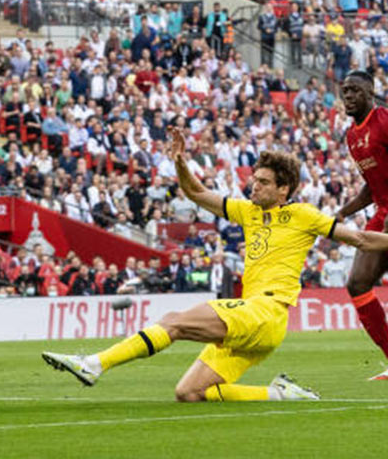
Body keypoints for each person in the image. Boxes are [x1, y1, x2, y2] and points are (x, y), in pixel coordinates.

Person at [42, 131, 388, 402]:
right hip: (256, 321)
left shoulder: (302, 215)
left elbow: (360, 239)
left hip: (266, 311)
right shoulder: (246, 210)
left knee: (173, 323)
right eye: (255, 179)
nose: (255, 185)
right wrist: (180, 161)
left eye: (264, 182)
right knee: (189, 393)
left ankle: (94, 364)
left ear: (284, 189)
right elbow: (195, 192)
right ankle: (278, 392)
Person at [336, 70, 388, 380]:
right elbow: (371, 186)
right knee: (357, 283)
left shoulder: (384, 121)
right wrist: (342, 213)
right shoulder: (352, 135)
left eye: (355, 90)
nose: (349, 96)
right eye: (345, 91)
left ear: (371, 93)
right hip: (382, 211)